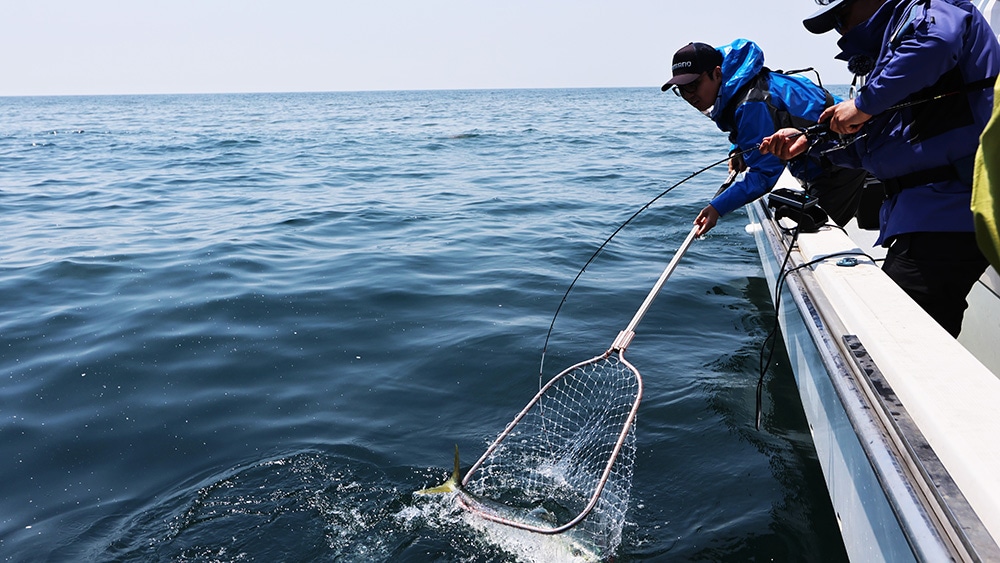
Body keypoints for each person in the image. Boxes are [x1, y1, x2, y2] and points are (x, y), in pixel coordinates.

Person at [759, 0, 1000, 337]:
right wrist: (809, 144)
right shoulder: (890, 58)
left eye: (841, 17)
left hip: (950, 209)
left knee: (897, 338)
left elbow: (939, 41)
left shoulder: (931, 10)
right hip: (926, 215)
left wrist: (862, 105)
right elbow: (877, 149)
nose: (840, 32)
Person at [662, 39, 868, 236]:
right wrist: (739, 149)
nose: (689, 95)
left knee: (817, 230)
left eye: (692, 85)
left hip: (843, 161)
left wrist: (716, 208)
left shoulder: (752, 102)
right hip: (824, 159)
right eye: (681, 89)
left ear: (716, 74)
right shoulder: (745, 86)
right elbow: (761, 128)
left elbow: (764, 174)